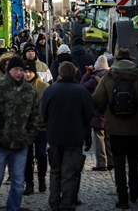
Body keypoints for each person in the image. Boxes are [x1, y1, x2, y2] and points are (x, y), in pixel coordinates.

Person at [92, 48, 138, 209]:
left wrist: (105, 110)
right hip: (135, 128)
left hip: (115, 129)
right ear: (130, 59)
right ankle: (135, 192)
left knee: (119, 163)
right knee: (134, 162)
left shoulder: (108, 77)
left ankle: (122, 198)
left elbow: (96, 99)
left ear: (117, 60)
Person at [0, 56, 41, 211]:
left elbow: (35, 117)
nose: (19, 73)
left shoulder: (30, 91)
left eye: (21, 70)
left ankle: (13, 209)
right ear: (8, 70)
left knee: (18, 182)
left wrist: (29, 137)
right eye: (16, 69)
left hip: (21, 144)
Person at [41, 61, 94, 211]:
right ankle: (67, 204)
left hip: (55, 137)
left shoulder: (50, 90)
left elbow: (43, 113)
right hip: (74, 137)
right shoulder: (81, 91)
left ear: (60, 73)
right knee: (69, 173)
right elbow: (89, 114)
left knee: (55, 171)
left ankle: (54, 202)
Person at [80, 54, 114, 171]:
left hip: (97, 113)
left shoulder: (94, 78)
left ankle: (101, 163)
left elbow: (82, 87)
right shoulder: (110, 77)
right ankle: (111, 162)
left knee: (99, 138)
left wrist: (88, 73)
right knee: (108, 139)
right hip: (109, 113)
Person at [22, 59, 49, 196]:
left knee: (41, 154)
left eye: (30, 72)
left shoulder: (43, 86)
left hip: (41, 127)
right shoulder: (19, 87)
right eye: (25, 72)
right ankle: (29, 183)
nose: (27, 75)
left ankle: (41, 178)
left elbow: (48, 106)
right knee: (27, 157)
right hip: (25, 129)